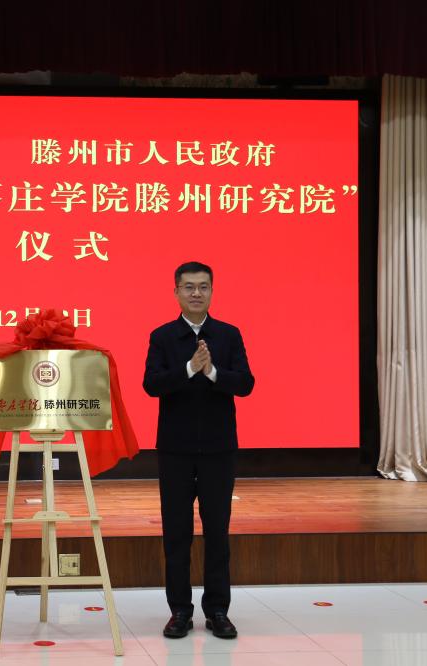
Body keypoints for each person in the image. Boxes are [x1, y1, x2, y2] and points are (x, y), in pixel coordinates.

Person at [142, 261, 255, 640]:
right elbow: (152, 385)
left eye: (203, 287)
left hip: (219, 449)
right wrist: (189, 368)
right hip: (175, 450)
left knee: (217, 532)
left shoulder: (228, 334)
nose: (196, 293)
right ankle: (180, 611)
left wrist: (213, 373)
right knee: (176, 534)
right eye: (188, 287)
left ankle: (218, 611)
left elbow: (246, 384)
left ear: (212, 291)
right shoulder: (162, 336)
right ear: (176, 291)